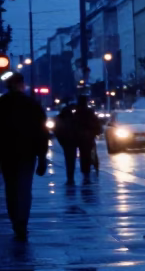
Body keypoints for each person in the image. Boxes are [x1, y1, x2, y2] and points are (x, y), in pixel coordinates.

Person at [0, 73, 49, 241]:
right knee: (24, 189)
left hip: (6, 153)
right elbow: (42, 132)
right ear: (21, 85)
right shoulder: (32, 105)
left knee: (11, 188)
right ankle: (22, 222)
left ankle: (16, 221)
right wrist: (42, 157)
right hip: (27, 153)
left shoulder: (2, 104)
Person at [55, 91, 103, 185]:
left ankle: (71, 177)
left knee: (70, 159)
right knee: (85, 157)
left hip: (71, 139)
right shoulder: (88, 112)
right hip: (84, 138)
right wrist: (92, 134)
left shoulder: (69, 111)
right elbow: (97, 126)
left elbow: (59, 125)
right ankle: (85, 176)